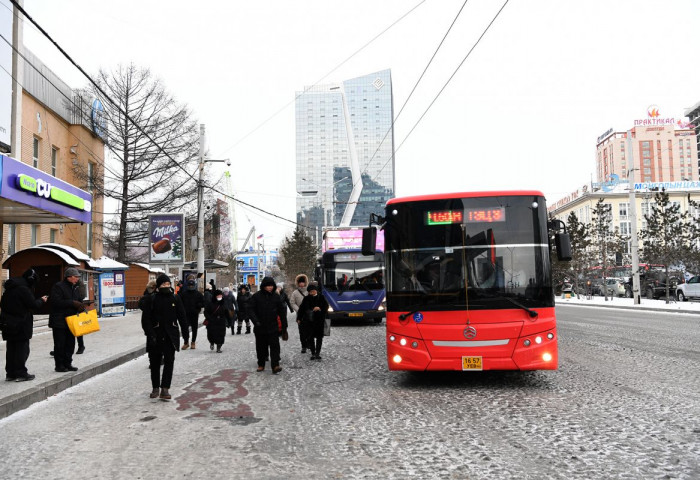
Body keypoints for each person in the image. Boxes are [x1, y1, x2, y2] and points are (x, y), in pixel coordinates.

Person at [139, 274, 188, 400]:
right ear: (158, 286)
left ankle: (165, 388)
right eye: (163, 284)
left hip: (170, 335)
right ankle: (155, 387)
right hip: (155, 335)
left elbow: (182, 317)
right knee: (155, 363)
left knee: (169, 361)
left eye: (167, 284)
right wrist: (150, 334)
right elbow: (146, 320)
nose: (166, 286)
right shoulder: (152, 299)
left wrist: (186, 336)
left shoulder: (175, 298)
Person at [0, 268, 47, 381]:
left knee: (11, 349)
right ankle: (21, 373)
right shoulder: (23, 289)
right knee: (22, 349)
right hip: (21, 323)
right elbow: (33, 304)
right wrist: (41, 300)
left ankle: (10, 373)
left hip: (8, 323)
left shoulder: (9, 289)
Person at [248, 276, 288, 374]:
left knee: (275, 346)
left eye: (271, 286)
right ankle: (261, 364)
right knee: (261, 346)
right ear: (264, 286)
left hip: (273, 326)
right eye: (268, 286)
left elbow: (282, 311)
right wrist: (256, 322)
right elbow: (250, 310)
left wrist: (284, 325)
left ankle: (275, 365)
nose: (270, 287)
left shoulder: (276, 297)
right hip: (260, 326)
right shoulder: (256, 296)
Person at [49, 268, 85, 373]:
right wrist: (72, 303)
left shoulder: (75, 287)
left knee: (70, 343)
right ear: (70, 277)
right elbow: (56, 302)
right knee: (60, 344)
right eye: (77, 276)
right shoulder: (58, 286)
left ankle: (68, 363)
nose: (78, 278)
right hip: (59, 321)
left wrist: (80, 306)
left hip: (71, 320)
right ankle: (59, 365)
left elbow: (78, 300)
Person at [296, 283, 329, 360]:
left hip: (319, 321)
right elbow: (301, 309)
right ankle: (313, 353)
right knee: (310, 337)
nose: (312, 293)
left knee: (319, 337)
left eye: (313, 291)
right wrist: (299, 318)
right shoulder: (306, 298)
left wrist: (319, 308)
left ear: (316, 290)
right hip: (309, 321)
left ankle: (317, 353)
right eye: (310, 292)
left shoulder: (321, 297)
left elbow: (326, 306)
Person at [179, 279, 204, 350]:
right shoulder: (184, 294)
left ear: (194, 285)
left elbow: (203, 303)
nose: (191, 286)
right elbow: (179, 303)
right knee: (184, 329)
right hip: (185, 314)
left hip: (194, 314)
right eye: (189, 285)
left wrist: (199, 305)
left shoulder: (198, 294)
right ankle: (186, 342)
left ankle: (193, 342)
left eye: (192, 285)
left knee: (194, 328)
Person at [289, 274, 309, 353]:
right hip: (300, 315)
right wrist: (299, 310)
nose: (301, 284)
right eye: (300, 282)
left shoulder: (309, 291)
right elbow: (292, 302)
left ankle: (309, 344)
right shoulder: (295, 293)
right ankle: (303, 346)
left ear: (305, 283)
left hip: (309, 314)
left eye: (303, 282)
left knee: (309, 330)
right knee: (301, 331)